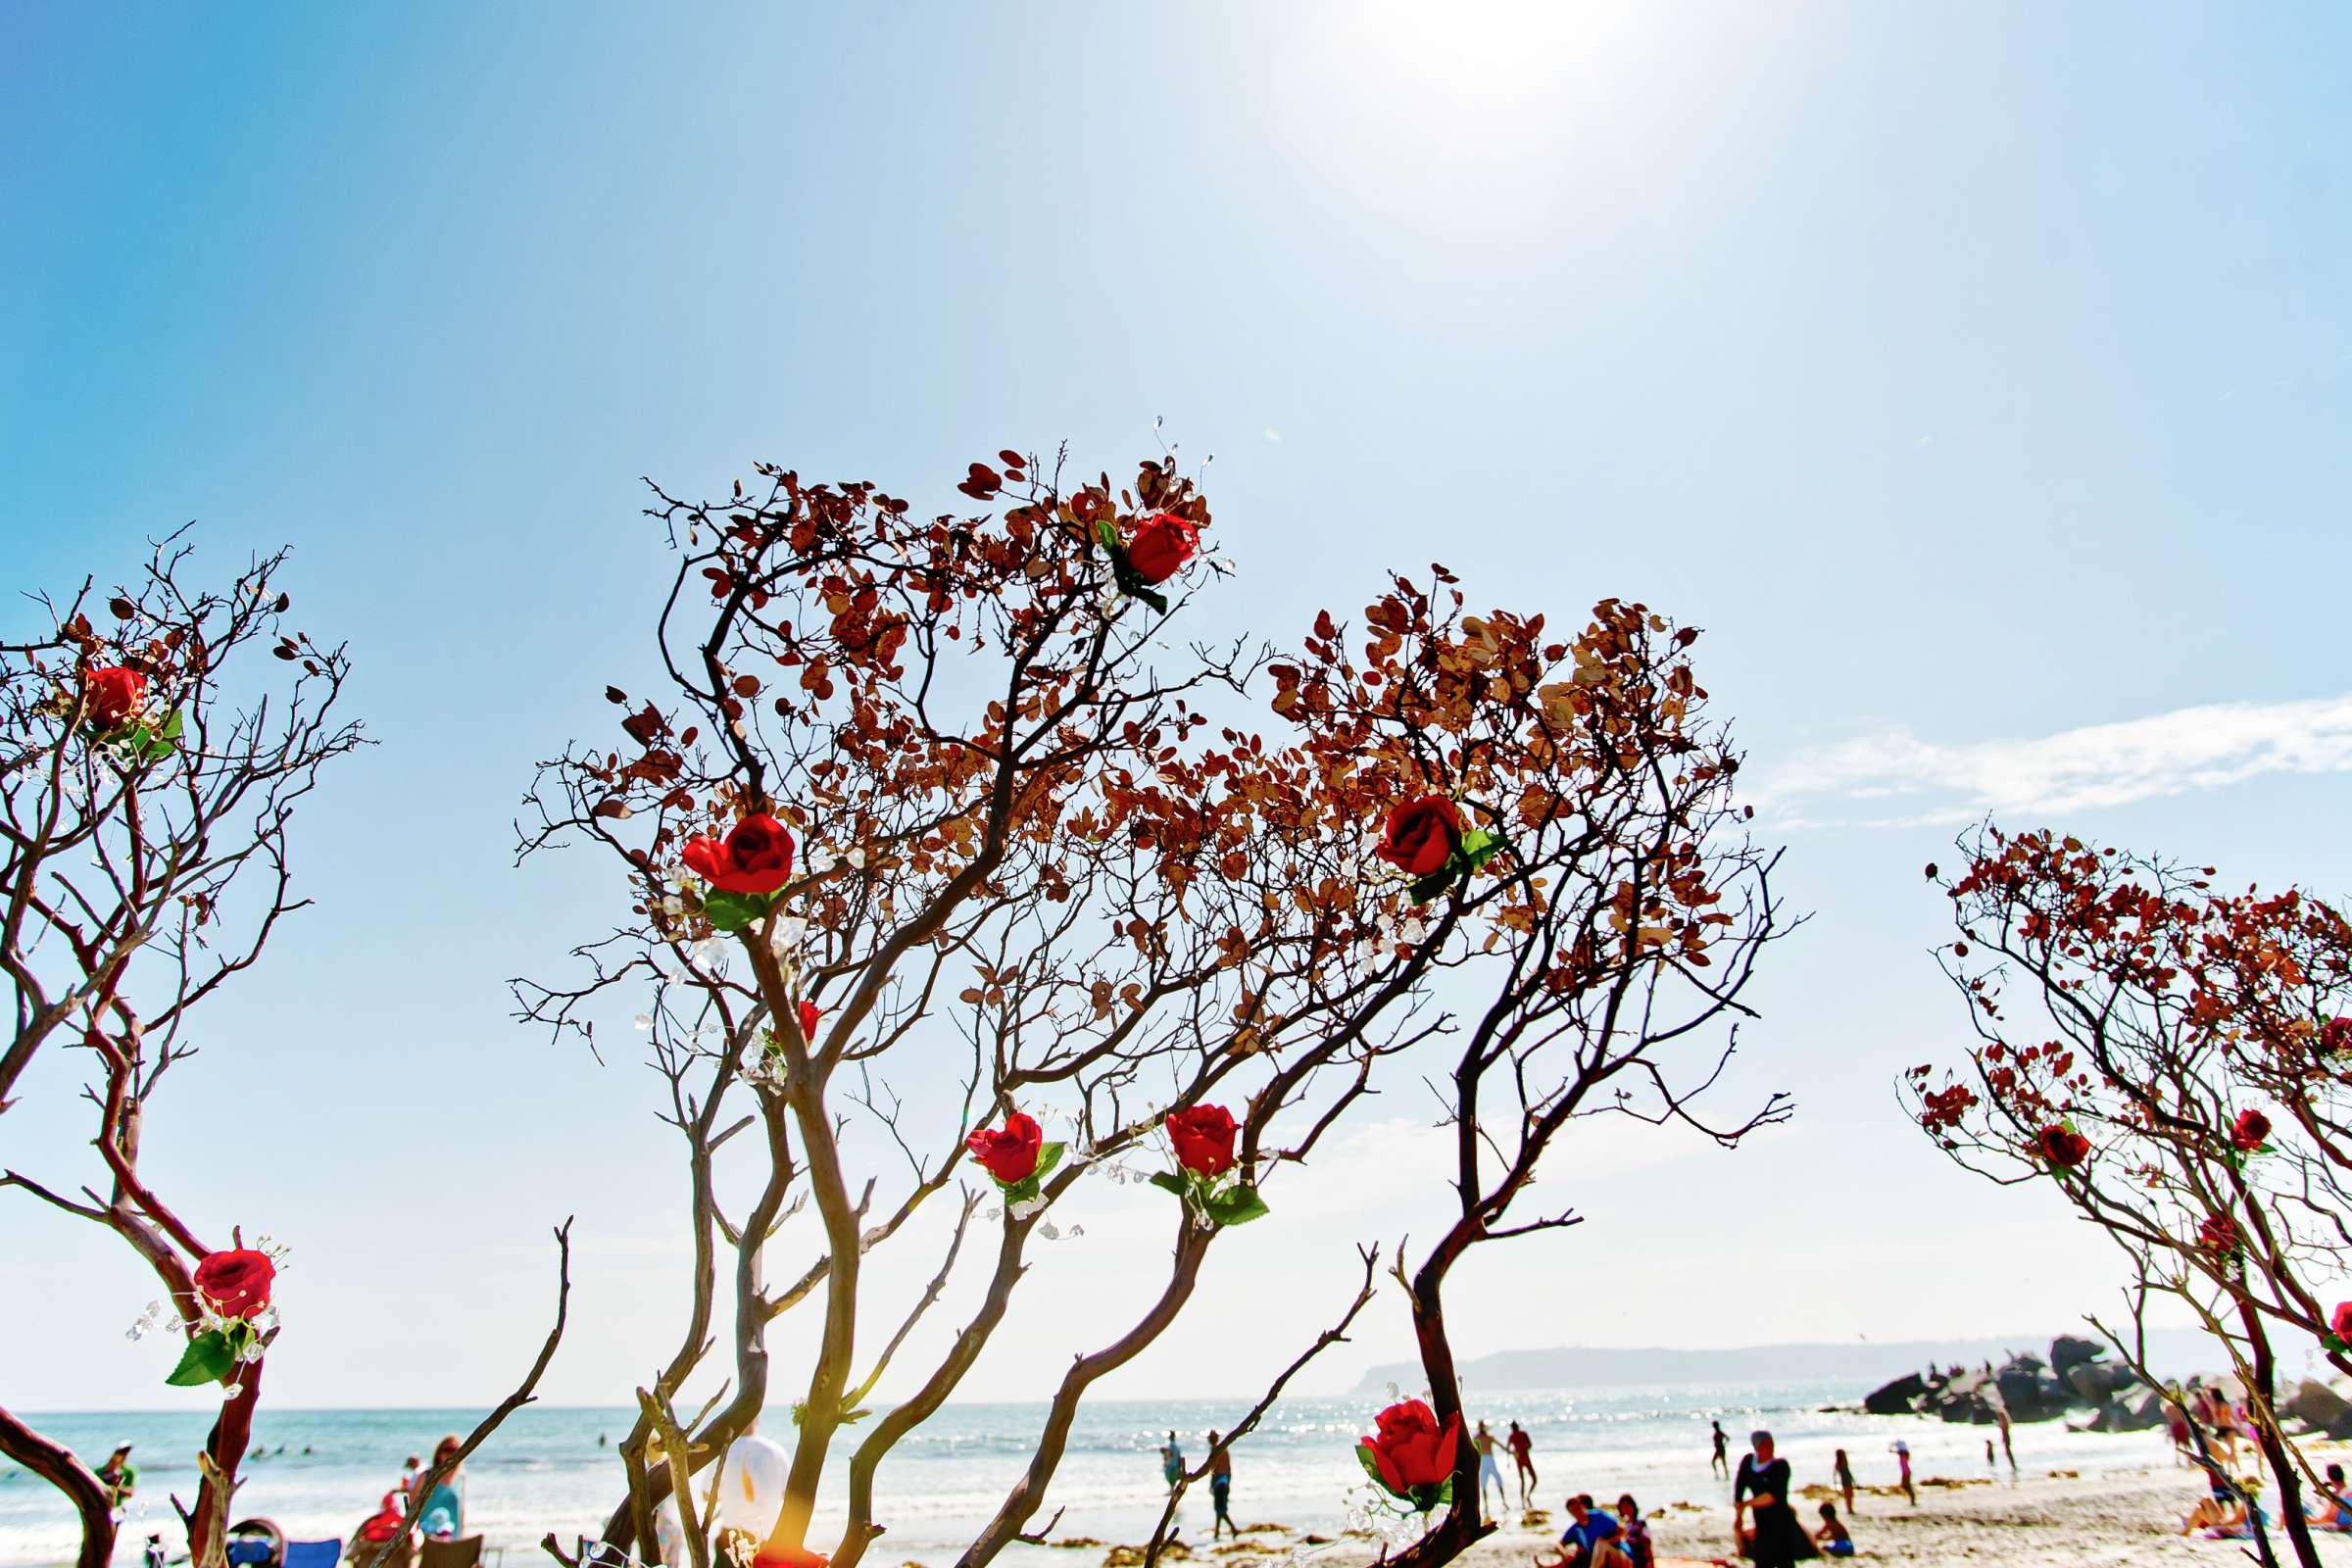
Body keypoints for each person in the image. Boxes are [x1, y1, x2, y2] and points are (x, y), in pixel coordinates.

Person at [1733, 1431, 1813, 1568]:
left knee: (1785, 1561)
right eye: (1765, 1444)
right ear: (1756, 1446)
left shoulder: (1780, 1466)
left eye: (1771, 1444)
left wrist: (1748, 1504)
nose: (1769, 1447)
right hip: (1761, 1521)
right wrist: (1739, 1517)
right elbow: (1739, 1491)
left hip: (1782, 1521)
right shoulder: (1748, 1462)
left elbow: (1771, 1497)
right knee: (1762, 1560)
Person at [1537, 1494, 1628, 1568]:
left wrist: (1608, 1541)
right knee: (1576, 1556)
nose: (1577, 1513)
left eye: (1578, 1509)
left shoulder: (1599, 1516)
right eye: (1573, 1511)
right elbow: (1559, 1544)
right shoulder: (1576, 1528)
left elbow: (1623, 1530)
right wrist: (1565, 1553)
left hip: (1618, 1555)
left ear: (1583, 1506)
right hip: (1597, 1560)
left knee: (1600, 1543)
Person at [420, 1435, 465, 1539]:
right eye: (447, 1450)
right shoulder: (426, 1476)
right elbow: (412, 1507)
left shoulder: (461, 1478)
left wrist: (461, 1535)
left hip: (453, 1535)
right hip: (427, 1536)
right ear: (439, 1453)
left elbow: (461, 1510)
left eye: (454, 1450)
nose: (450, 1454)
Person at [1204, 1431, 1235, 1539]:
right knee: (1220, 1508)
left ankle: (1233, 1528)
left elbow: (1213, 1469)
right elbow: (1229, 1468)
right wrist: (1229, 1482)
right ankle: (1217, 1531)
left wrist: (1211, 1484)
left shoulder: (1215, 1449)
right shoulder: (1224, 1448)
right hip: (1225, 1479)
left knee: (1220, 1509)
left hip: (1219, 1481)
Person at [1475, 1421, 1508, 1519]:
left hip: (1487, 1459)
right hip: (1485, 1459)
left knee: (1497, 1480)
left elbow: (1501, 1446)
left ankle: (1502, 1502)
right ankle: (1486, 1505)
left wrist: (1509, 1451)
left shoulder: (1484, 1437)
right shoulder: (1479, 1437)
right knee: (1485, 1483)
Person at [2307, 1462, 2352, 1531]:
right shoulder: (2348, 1492)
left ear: (2329, 1477)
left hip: (2334, 1523)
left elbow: (2330, 1518)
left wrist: (2313, 1522)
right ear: (2343, 1475)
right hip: (2342, 1523)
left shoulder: (2336, 1496)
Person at [1614, 1494, 1653, 1568]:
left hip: (1639, 1557)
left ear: (1633, 1506)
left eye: (1628, 1506)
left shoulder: (1641, 1523)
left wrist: (1650, 1561)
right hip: (1625, 1556)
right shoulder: (1621, 1525)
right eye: (1623, 1507)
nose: (1626, 1509)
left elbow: (1648, 1543)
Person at [98, 1445, 139, 1514]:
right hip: (100, 1508)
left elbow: (130, 1493)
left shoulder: (128, 1471)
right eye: (120, 1453)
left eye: (125, 1453)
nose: (122, 1456)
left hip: (117, 1508)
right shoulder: (99, 1471)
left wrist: (116, 1485)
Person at [1507, 1421, 1537, 1509]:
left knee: (1524, 1481)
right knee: (1533, 1479)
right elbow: (1530, 1445)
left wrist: (1514, 1452)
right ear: (1517, 1426)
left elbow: (1508, 1449)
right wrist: (1523, 1449)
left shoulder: (1512, 1436)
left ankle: (1524, 1499)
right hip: (1524, 1458)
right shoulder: (1522, 1434)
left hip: (1520, 1459)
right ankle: (1525, 1498)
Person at [1890, 1439, 1916, 1507]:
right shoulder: (1904, 1453)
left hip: (1906, 1472)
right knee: (1905, 1486)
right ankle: (1912, 1500)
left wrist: (1891, 1445)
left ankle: (1913, 1500)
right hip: (1905, 1472)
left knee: (1906, 1486)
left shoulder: (1903, 1453)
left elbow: (1890, 1450)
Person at [1994, 1404, 2016, 1480]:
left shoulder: (2003, 1421)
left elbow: (2004, 1429)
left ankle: (2013, 1466)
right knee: (2008, 1451)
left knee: (2008, 1451)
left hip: (2006, 1437)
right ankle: (2013, 1466)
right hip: (2006, 1437)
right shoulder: (2005, 1421)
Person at [1831, 1448, 1855, 1516]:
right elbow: (1836, 1473)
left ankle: (1850, 1509)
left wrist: (1853, 1479)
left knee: (1850, 1495)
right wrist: (1835, 1483)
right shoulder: (1840, 1463)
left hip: (1846, 1479)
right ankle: (1849, 1509)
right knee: (1848, 1495)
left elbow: (1847, 1471)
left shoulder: (1842, 1462)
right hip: (1845, 1480)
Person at [1159, 1430, 1185, 1494]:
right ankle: (1172, 1490)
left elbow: (1171, 1454)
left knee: (1171, 1478)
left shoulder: (1172, 1446)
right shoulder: (1175, 1446)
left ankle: (1172, 1491)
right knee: (1172, 1479)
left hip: (1172, 1465)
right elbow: (1177, 1456)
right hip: (1174, 1465)